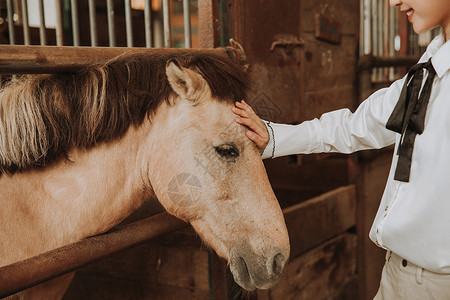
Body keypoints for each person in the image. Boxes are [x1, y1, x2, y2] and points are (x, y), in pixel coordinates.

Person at [232, 0, 450, 299]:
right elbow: (359, 126)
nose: (394, 1)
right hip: (398, 274)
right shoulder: (431, 65)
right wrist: (273, 137)